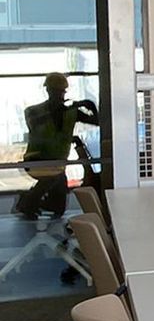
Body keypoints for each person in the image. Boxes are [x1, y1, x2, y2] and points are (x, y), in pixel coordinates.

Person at [13, 72, 98, 220]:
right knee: (51, 177)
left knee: (58, 208)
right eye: (55, 91)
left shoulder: (71, 113)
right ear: (47, 91)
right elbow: (35, 123)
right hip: (37, 161)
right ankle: (29, 203)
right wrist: (66, 108)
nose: (59, 95)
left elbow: (98, 122)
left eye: (61, 91)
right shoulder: (33, 111)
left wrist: (92, 107)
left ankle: (28, 201)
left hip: (58, 165)